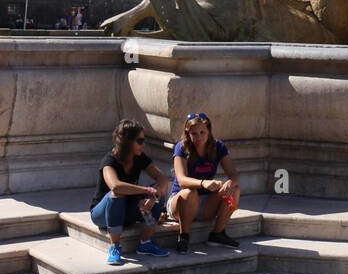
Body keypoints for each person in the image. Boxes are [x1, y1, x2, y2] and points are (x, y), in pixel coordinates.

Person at [90, 119, 171, 265]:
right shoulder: (109, 161)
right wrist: (146, 190)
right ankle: (115, 246)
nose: (143, 145)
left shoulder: (139, 157)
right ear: (127, 142)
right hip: (102, 214)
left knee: (159, 193)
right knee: (116, 194)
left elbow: (162, 178)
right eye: (139, 141)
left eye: (144, 140)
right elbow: (116, 187)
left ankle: (145, 243)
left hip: (126, 211)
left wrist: (155, 194)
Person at [166, 111, 241, 253]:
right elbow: (181, 180)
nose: (199, 137)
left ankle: (217, 233)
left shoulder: (218, 146)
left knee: (234, 191)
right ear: (188, 133)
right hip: (180, 202)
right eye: (194, 133)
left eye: (202, 132)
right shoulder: (181, 147)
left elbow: (234, 174)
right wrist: (203, 183)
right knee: (190, 192)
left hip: (206, 204)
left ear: (209, 132)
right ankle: (183, 236)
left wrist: (229, 183)